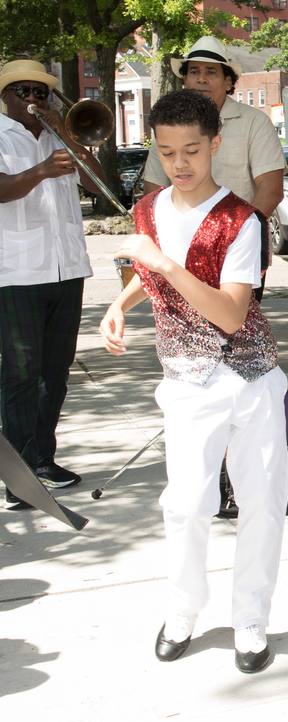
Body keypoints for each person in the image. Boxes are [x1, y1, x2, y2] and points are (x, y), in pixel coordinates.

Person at [100, 90, 288, 674]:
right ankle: (182, 610)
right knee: (185, 505)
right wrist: (121, 303)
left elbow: (230, 313)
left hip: (251, 375)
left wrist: (161, 263)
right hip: (185, 377)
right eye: (166, 151)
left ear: (215, 144)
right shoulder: (148, 210)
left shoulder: (242, 220)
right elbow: (151, 269)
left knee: (262, 502)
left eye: (191, 150)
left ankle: (251, 618)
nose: (179, 163)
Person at [0, 59, 106, 509]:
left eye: (40, 92)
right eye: (22, 91)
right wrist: (41, 170)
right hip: (17, 272)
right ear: (5, 96)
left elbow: (99, 185)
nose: (32, 99)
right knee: (20, 374)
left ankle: (43, 460)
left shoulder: (61, 135)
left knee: (55, 373)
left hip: (67, 269)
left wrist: (69, 136)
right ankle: (19, 476)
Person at [142, 36, 286, 234]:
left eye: (211, 72)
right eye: (194, 72)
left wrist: (237, 233)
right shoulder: (168, 125)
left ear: (228, 82)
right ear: (184, 80)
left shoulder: (255, 121)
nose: (201, 79)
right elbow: (153, 191)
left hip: (240, 238)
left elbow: (272, 190)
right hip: (180, 236)